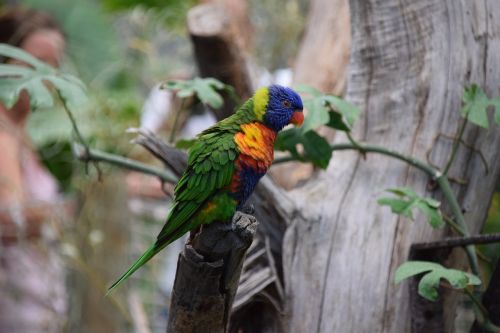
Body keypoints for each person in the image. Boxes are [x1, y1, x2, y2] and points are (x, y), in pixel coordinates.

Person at [0, 7, 72, 332]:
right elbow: (8, 218)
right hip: (14, 306)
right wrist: (78, 209)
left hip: (39, 304)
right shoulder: (2, 134)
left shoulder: (21, 131)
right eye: (31, 64)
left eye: (52, 66)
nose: (43, 76)